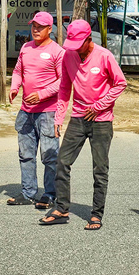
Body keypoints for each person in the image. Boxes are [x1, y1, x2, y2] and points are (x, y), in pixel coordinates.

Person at [39, 19, 127, 232]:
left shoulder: (104, 56)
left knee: (100, 169)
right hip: (78, 118)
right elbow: (64, 87)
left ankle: (96, 214)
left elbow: (120, 83)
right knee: (62, 161)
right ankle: (62, 208)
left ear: (89, 39)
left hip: (101, 121)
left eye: (79, 44)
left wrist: (99, 105)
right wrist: (59, 118)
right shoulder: (69, 56)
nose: (76, 49)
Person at [8, 11, 64, 209]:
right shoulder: (26, 47)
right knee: (26, 154)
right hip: (26, 111)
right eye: (34, 26)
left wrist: (42, 94)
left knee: (49, 156)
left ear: (50, 29)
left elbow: (63, 81)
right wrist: (15, 87)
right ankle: (28, 192)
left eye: (40, 27)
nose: (36, 30)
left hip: (48, 112)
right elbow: (18, 71)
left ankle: (50, 194)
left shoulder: (58, 51)